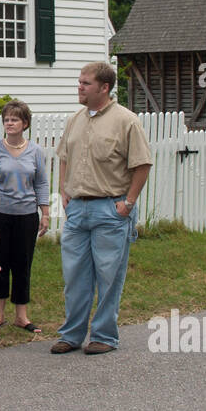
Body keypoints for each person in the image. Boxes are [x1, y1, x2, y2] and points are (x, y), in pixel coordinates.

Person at [51, 61, 153, 356]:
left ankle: (104, 336)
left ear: (104, 87)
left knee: (109, 276)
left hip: (110, 209)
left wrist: (128, 203)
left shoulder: (126, 121)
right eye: (79, 82)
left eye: (86, 83)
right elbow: (64, 156)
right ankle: (71, 334)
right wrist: (63, 190)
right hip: (78, 210)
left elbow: (142, 164)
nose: (79, 87)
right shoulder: (75, 119)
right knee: (74, 276)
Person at [0, 99, 50, 333]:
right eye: (6, 119)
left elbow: (41, 182)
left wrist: (46, 212)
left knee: (23, 264)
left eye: (14, 119)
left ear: (25, 123)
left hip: (26, 216)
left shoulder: (35, 151)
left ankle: (22, 316)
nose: (9, 123)